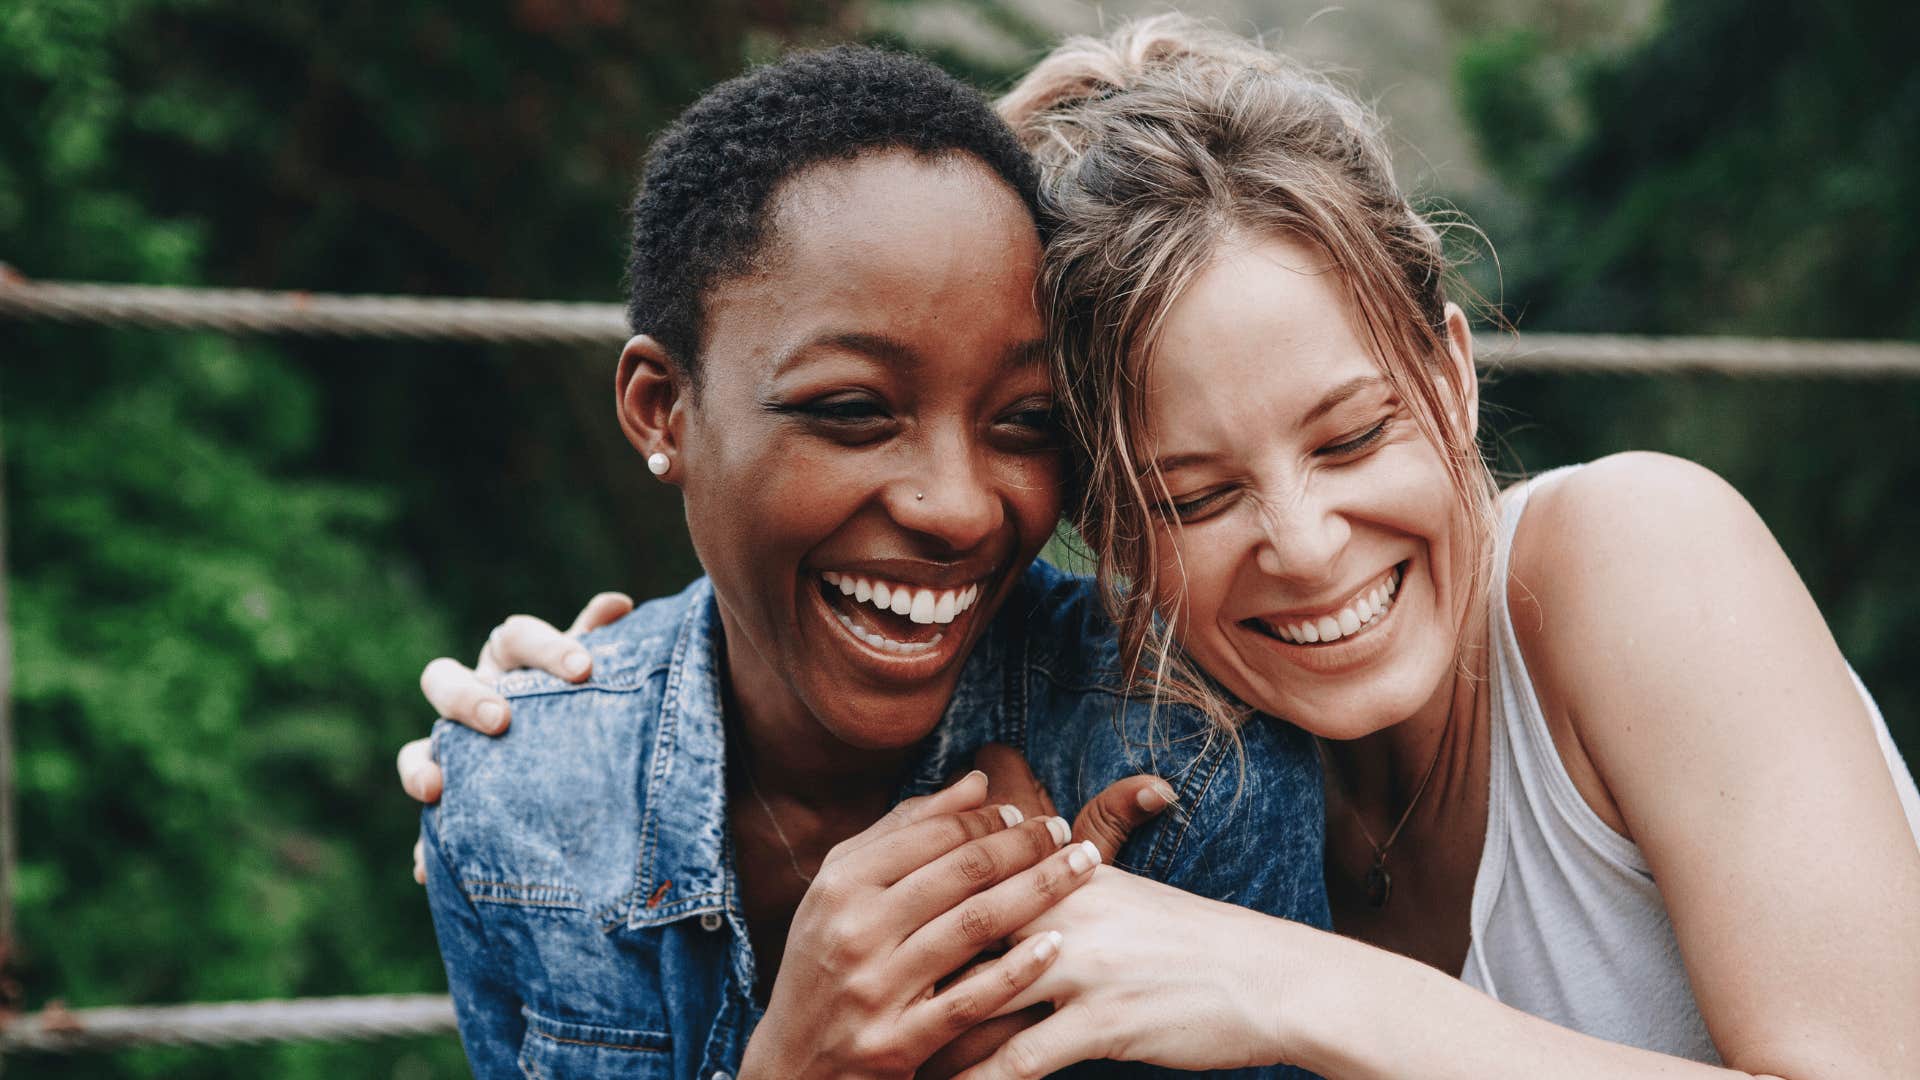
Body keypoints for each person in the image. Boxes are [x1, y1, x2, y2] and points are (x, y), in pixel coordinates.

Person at [412, 16, 1920, 1080]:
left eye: (1351, 436)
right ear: (1104, 528)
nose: (1311, 545)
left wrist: (1298, 988)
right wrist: (598, 705)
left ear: (1452, 375)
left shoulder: (1633, 560)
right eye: (1195, 499)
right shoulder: (1175, 758)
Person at [410, 43, 1326, 1080]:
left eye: (1024, 422)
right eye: (852, 411)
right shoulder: (515, 805)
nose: (959, 506)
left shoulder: (1185, 761)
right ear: (661, 409)